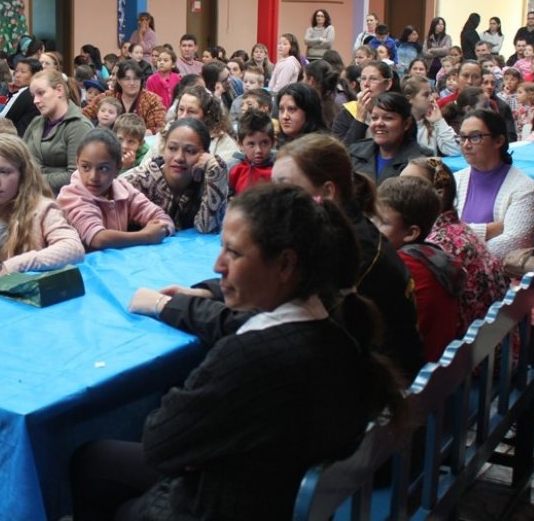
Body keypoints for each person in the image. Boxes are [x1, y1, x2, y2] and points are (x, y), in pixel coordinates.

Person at [73, 184, 404, 521]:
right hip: (271, 486)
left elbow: (159, 444)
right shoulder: (338, 330)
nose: (218, 266)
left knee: (101, 481)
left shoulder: (251, 355)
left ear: (286, 265)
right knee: (94, 458)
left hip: (223, 504)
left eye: (234, 253)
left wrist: (201, 452)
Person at [401, 157, 511, 335]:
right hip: (490, 345)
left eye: (409, 185)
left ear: (438, 194)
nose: (399, 190)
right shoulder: (458, 229)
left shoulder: (436, 246)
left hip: (468, 354)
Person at [0, 133, 84, 281]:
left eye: (4, 172)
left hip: (17, 296)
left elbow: (74, 248)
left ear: (22, 176)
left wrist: (18, 264)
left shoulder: (42, 209)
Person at [376, 176, 463, 362]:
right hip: (435, 374)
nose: (371, 228)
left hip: (413, 379)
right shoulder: (431, 256)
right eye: (370, 218)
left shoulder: (401, 267)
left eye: (382, 223)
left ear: (410, 233)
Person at [57, 129, 175, 251]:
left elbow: (159, 216)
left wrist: (162, 229)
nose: (93, 177)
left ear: (118, 168)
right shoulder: (71, 196)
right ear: (77, 163)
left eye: (103, 168)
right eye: (85, 167)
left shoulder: (123, 189)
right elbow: (97, 238)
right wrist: (147, 236)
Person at [454, 109, 534, 259]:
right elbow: (435, 230)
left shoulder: (525, 188)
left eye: (475, 137)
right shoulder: (454, 180)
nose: (466, 145)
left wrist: (454, 242)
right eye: (462, 137)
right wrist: (488, 230)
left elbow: (514, 245)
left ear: (499, 141)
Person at [122, 118, 228, 234]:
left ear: (205, 155)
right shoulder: (135, 182)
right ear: (163, 149)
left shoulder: (208, 179)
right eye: (172, 148)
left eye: (190, 151)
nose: (179, 158)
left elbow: (208, 230)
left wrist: (216, 171)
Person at [23, 68, 94, 194]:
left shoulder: (79, 126)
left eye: (41, 93)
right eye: (33, 96)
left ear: (59, 90)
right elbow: (20, 159)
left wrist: (32, 179)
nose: (35, 101)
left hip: (63, 201)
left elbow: (76, 175)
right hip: (30, 196)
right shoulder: (36, 122)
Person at [348, 92, 432, 184]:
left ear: (406, 123)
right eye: (374, 118)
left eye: (388, 118)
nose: (379, 123)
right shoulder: (355, 152)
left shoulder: (426, 159)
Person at [84, 60, 166, 135]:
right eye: (127, 79)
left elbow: (160, 128)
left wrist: (131, 135)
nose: (132, 83)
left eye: (136, 79)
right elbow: (84, 116)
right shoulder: (106, 97)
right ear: (119, 81)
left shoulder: (152, 100)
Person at [332, 60, 397, 143]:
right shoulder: (346, 113)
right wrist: (359, 119)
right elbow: (342, 150)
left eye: (373, 79)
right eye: (363, 79)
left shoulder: (396, 112)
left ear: (388, 84)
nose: (366, 84)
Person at [403, 74, 459, 156]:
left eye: (431, 93)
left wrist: (439, 121)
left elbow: (456, 150)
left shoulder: (431, 122)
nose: (432, 98)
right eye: (426, 95)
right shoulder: (402, 126)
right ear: (409, 99)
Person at [229, 109, 275, 196]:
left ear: (273, 142)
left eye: (264, 143)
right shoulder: (234, 170)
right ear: (240, 144)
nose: (258, 150)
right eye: (251, 144)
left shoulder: (278, 169)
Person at [0, 57, 42, 136]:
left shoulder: (27, 92)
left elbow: (3, 118)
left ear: (35, 75)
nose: (17, 75)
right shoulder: (32, 91)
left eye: (23, 72)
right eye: (16, 71)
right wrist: (12, 94)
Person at [274, 82, 327, 147]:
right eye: (281, 110)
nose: (284, 116)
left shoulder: (322, 148)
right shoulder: (279, 143)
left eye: (291, 109)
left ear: (308, 112)